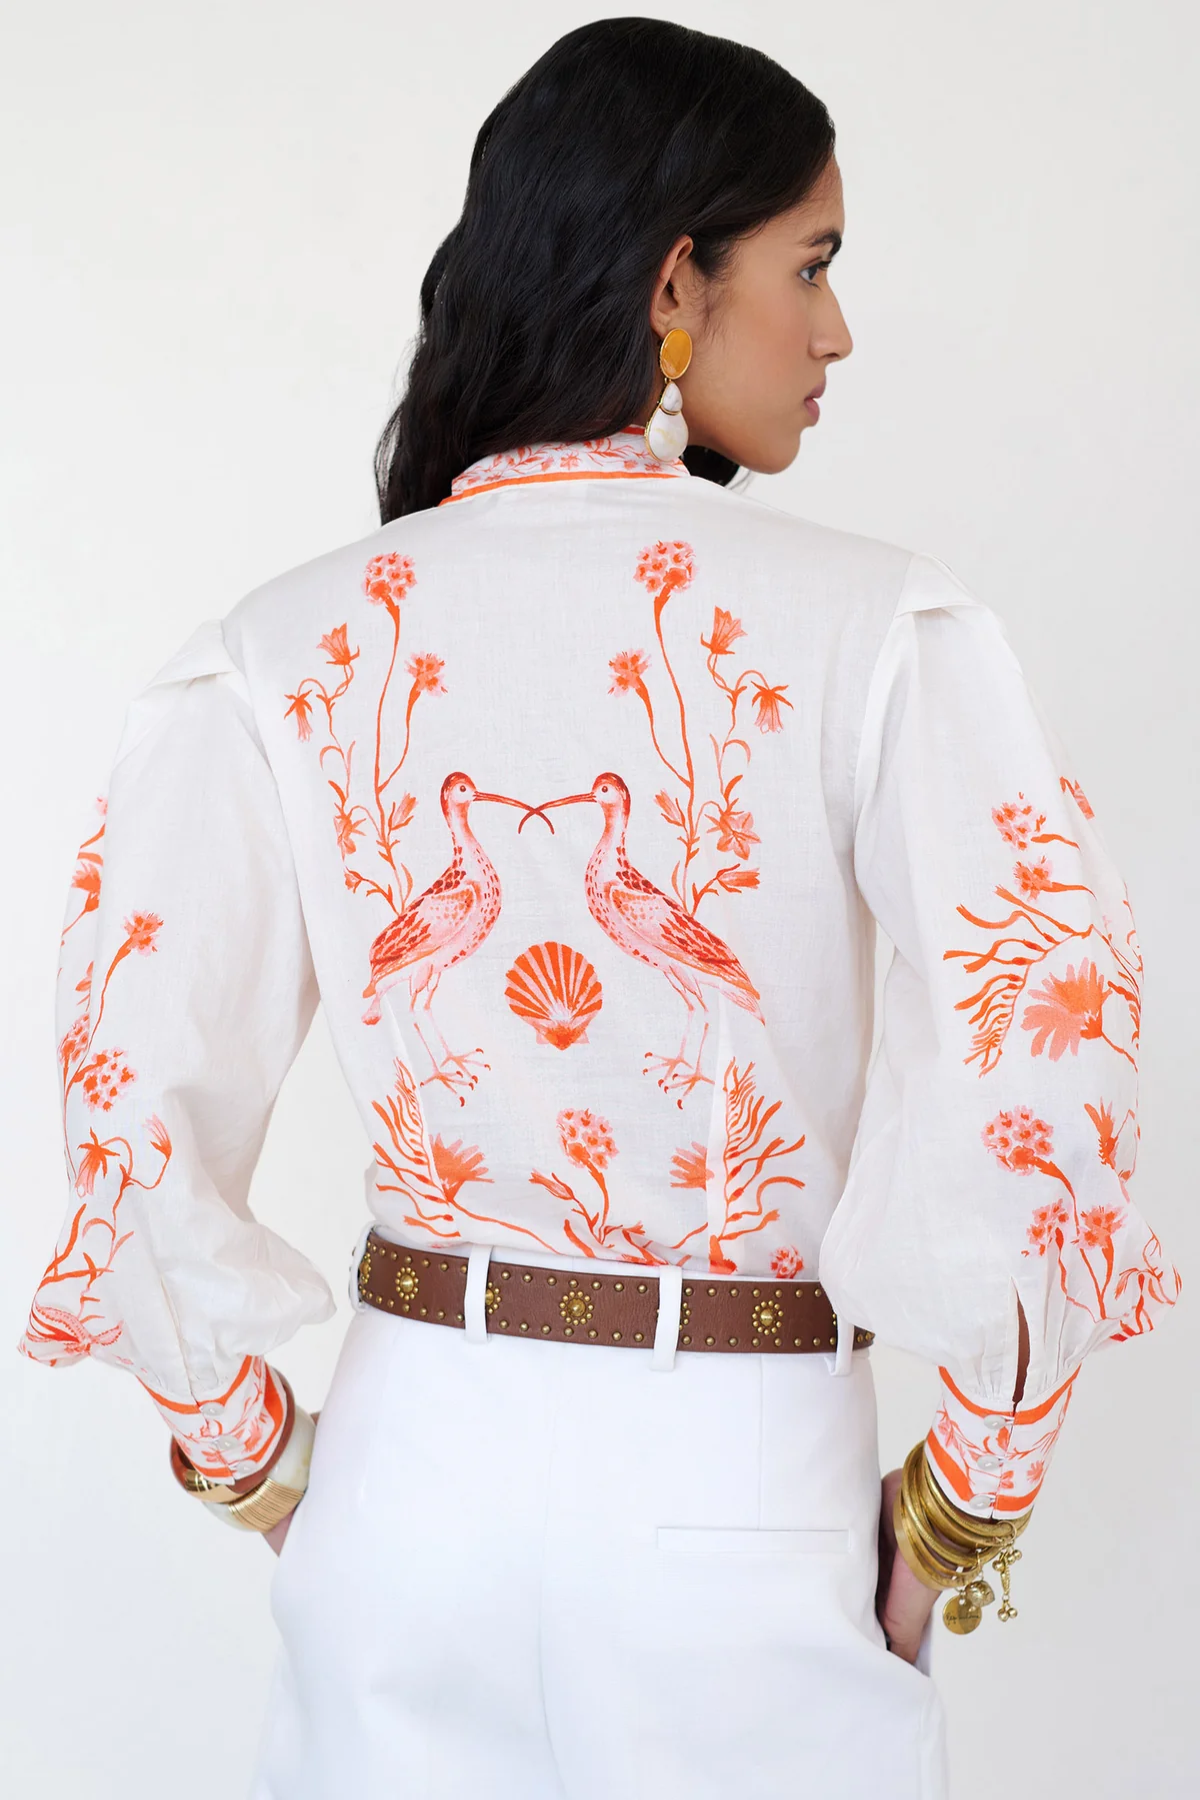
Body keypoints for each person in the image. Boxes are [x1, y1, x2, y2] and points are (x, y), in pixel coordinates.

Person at [19, 18, 1179, 1800]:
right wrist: (964, 1501)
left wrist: (261, 1462)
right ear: (672, 285)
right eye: (812, 266)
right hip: (742, 1480)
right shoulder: (882, 629)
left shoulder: (277, 646)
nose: (839, 333)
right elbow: (1046, 1051)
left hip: (407, 1480)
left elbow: (128, 1093)